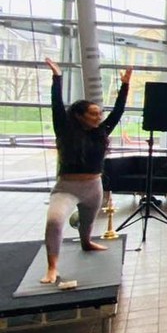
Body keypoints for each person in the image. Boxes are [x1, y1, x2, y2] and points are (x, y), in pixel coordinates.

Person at [41, 58, 130, 285]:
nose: (98, 117)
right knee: (55, 221)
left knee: (88, 223)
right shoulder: (64, 128)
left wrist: (125, 86)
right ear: (79, 115)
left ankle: (86, 242)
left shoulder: (100, 132)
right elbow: (56, 104)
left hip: (93, 187)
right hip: (67, 187)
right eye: (93, 114)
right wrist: (57, 78)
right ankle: (52, 267)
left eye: (99, 114)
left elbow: (118, 112)